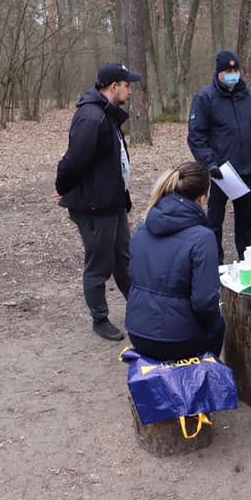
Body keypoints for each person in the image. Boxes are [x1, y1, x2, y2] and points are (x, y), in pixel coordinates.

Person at [56, 63, 141, 340]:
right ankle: (100, 318)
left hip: (113, 202)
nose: (131, 89)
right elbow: (73, 161)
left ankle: (141, 308)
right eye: (128, 85)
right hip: (94, 206)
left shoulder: (108, 114)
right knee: (99, 265)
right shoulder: (92, 118)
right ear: (114, 87)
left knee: (124, 259)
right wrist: (63, 187)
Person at [125, 162, 224, 361]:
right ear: (202, 199)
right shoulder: (202, 238)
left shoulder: (143, 229)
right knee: (219, 324)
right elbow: (205, 303)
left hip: (137, 331)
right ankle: (202, 375)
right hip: (180, 339)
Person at [187, 50, 251, 262]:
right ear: (219, 73)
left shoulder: (248, 95)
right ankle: (215, 263)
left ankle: (245, 259)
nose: (233, 74)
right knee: (214, 222)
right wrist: (209, 163)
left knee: (245, 221)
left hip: (245, 169)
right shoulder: (205, 98)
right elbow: (196, 136)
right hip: (219, 172)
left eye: (236, 70)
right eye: (228, 71)